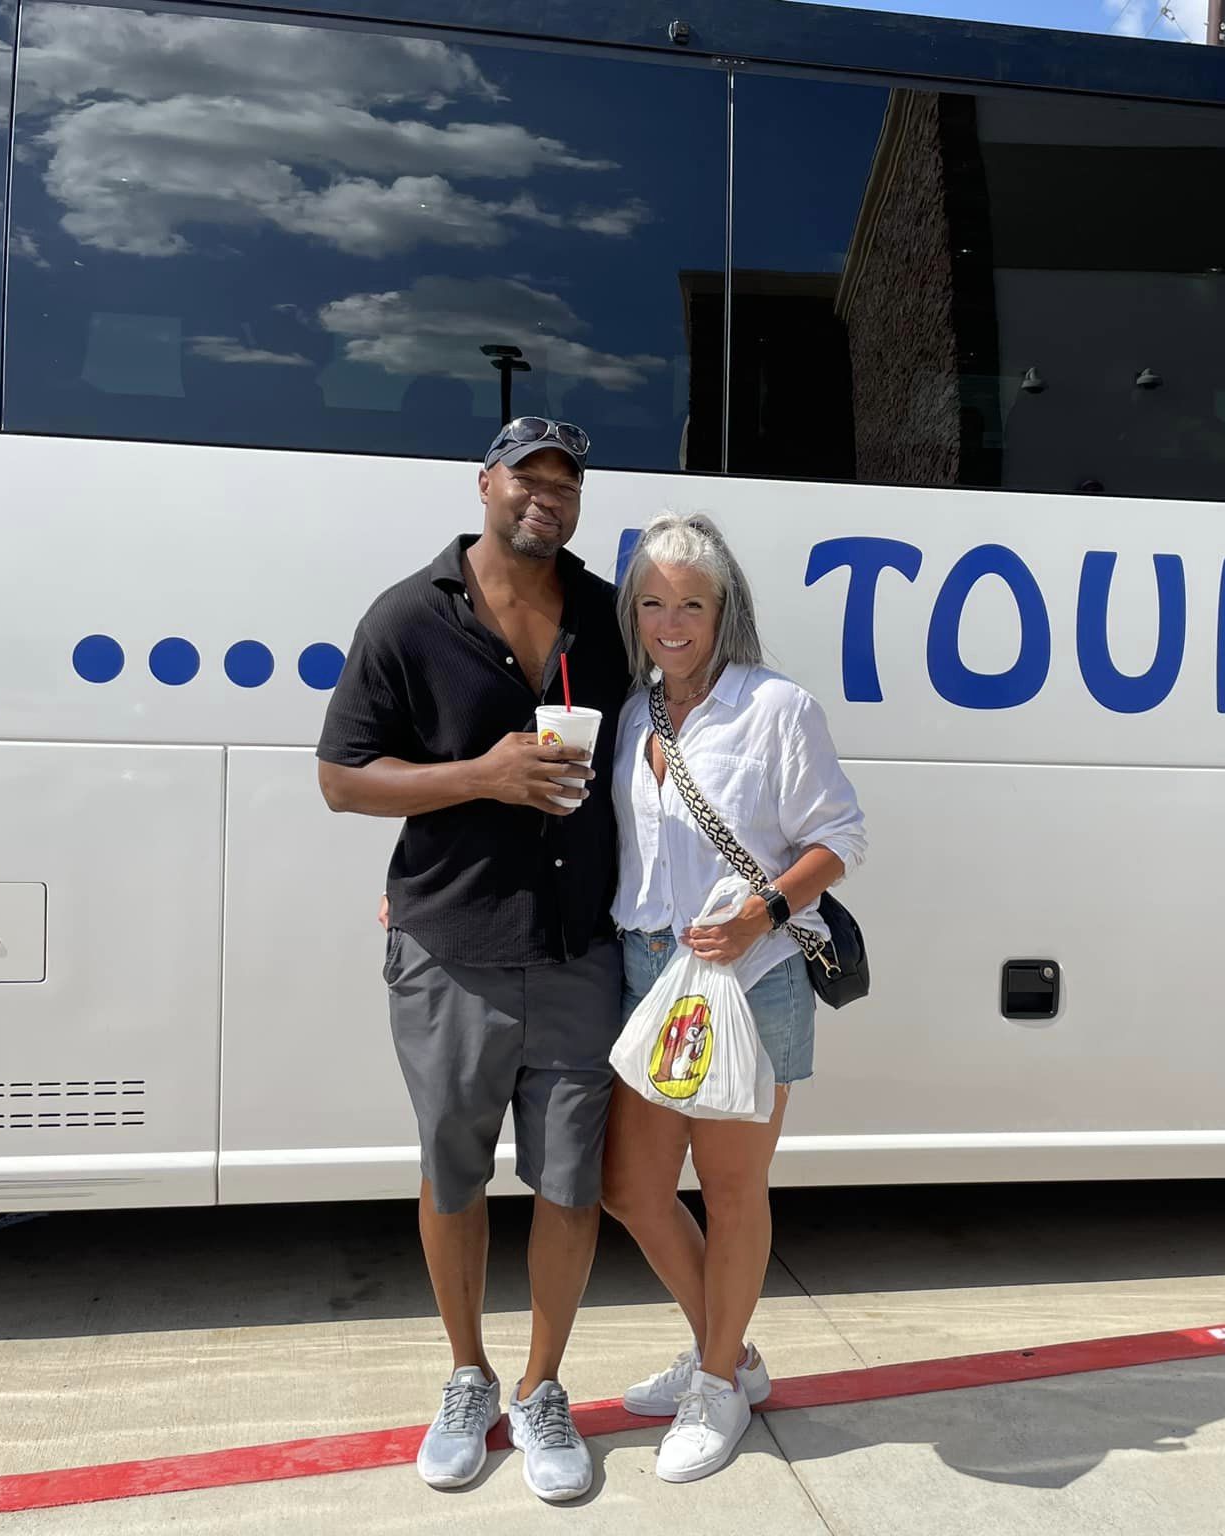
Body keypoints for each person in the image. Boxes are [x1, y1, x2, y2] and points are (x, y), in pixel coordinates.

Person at [315, 418, 627, 1505]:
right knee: (453, 1172)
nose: (547, 497)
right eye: (527, 479)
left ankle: (542, 1388)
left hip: (580, 948)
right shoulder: (409, 615)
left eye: (566, 485)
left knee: (569, 1185)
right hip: (452, 945)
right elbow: (341, 779)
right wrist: (478, 777)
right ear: (485, 484)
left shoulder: (604, 611)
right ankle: (466, 1376)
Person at [601, 512, 868, 1483]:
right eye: (653, 603)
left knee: (728, 1188)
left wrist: (760, 912)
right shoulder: (634, 714)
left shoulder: (775, 708)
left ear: (724, 612)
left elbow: (839, 839)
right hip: (650, 978)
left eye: (691, 605)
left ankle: (716, 1383)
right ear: (633, 613)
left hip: (747, 982)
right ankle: (732, 1351)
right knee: (628, 1186)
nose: (671, 622)